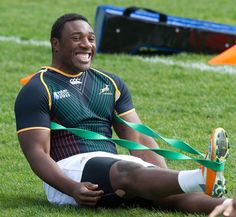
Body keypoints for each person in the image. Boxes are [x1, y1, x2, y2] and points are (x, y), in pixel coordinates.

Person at [14, 13, 231, 214]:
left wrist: (163, 178)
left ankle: (229, 205)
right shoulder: (37, 89)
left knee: (173, 195)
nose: (86, 44)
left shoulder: (110, 82)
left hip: (114, 167)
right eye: (77, 38)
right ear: (56, 45)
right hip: (69, 172)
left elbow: (137, 138)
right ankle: (201, 178)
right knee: (126, 170)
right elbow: (37, 153)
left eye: (91, 38)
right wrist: (71, 188)